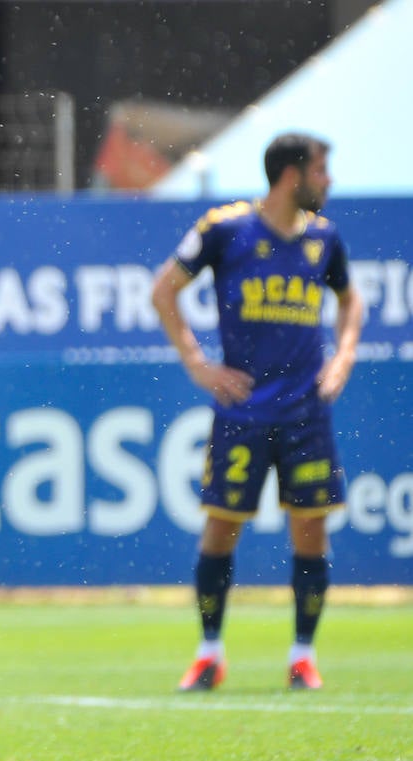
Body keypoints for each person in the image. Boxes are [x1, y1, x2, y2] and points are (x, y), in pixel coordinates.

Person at [150, 132, 363, 693]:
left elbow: (351, 300)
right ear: (292, 176)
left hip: (306, 413)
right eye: (322, 170)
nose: (329, 181)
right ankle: (209, 651)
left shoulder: (325, 239)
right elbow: (163, 290)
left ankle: (302, 656)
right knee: (220, 531)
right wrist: (198, 364)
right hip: (242, 411)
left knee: (311, 533)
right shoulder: (225, 230)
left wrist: (342, 358)